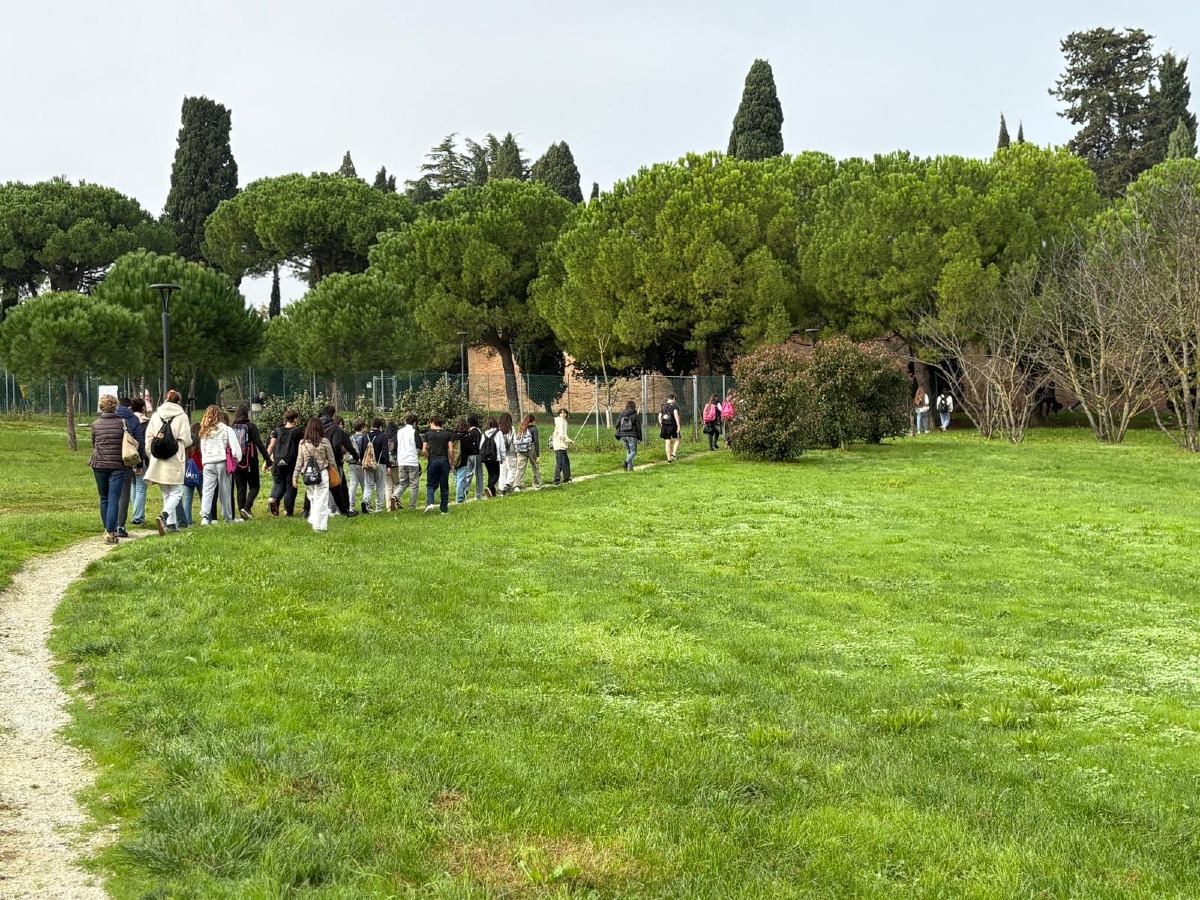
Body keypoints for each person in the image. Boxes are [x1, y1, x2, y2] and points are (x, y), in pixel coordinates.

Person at [143, 390, 192, 535]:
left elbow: (148, 438)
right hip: (175, 456)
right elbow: (187, 439)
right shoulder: (182, 416)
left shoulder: (156, 415)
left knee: (166, 493)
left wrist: (151, 455)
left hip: (158, 458)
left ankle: (171, 524)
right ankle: (164, 516)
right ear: (178, 401)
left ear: (166, 399)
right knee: (177, 491)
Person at [88, 395, 128, 544]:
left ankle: (107, 529)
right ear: (115, 406)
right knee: (113, 499)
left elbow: (94, 443)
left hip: (99, 464)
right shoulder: (122, 423)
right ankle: (110, 532)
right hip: (117, 464)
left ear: (101, 407)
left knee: (103, 497)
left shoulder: (95, 424)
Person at [198, 404, 242, 524]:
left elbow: (203, 449)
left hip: (208, 463)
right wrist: (236, 460)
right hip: (222, 461)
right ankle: (227, 517)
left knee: (207, 490)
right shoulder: (227, 429)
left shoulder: (204, 431)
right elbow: (235, 448)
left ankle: (205, 517)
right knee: (225, 490)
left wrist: (205, 461)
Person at [293, 416, 336, 533]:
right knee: (321, 500)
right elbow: (331, 460)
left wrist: (295, 476)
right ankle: (319, 527)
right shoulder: (325, 441)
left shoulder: (302, 443)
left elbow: (299, 461)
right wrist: (335, 474)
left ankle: (313, 520)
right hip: (321, 474)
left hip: (307, 475)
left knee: (312, 498)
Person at [231, 403, 271, 519]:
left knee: (240, 487)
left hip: (236, 461)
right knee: (255, 486)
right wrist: (267, 460)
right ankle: (247, 508)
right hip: (250, 461)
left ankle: (242, 512)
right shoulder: (251, 426)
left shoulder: (233, 427)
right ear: (247, 412)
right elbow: (259, 444)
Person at [114, 395, 144, 537]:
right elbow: (139, 442)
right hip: (125, 459)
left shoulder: (103, 419)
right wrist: (139, 463)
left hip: (107, 460)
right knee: (124, 493)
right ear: (130, 407)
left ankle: (109, 524)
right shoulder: (133, 419)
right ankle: (120, 525)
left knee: (109, 494)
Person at [266, 409, 301, 517]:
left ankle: (275, 499)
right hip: (291, 460)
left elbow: (271, 445)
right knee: (291, 485)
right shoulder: (297, 431)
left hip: (278, 460)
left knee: (281, 483)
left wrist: (267, 460)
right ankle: (288, 511)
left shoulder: (278, 430)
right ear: (295, 419)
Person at [421, 416, 454, 514]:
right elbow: (451, 449)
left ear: (432, 422)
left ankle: (430, 503)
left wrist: (429, 457)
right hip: (444, 460)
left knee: (431, 484)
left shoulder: (428, 434)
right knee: (444, 485)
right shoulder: (448, 434)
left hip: (433, 460)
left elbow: (424, 450)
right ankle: (444, 509)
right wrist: (451, 462)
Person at [393, 413, 422, 510]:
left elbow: (395, 446)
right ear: (414, 423)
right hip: (412, 460)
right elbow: (420, 445)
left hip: (401, 460)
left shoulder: (399, 432)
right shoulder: (414, 432)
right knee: (414, 484)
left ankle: (395, 496)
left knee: (403, 483)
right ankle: (412, 506)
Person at [128, 398, 150, 526]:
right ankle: (138, 516)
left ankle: (136, 514)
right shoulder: (146, 424)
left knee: (133, 486)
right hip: (142, 457)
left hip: (129, 457)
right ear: (143, 409)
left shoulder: (127, 422)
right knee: (141, 487)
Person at [512, 413, 542, 491]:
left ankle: (517, 485)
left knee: (520, 468)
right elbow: (536, 442)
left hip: (520, 450)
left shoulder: (522, 428)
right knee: (535, 467)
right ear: (533, 421)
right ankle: (537, 484)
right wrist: (538, 455)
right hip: (531, 449)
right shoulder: (534, 429)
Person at [365, 418, 389, 512]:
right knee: (380, 486)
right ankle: (379, 508)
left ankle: (366, 501)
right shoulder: (383, 436)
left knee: (368, 485)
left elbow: (363, 449)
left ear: (371, 425)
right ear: (380, 427)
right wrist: (388, 465)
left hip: (367, 464)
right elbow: (385, 451)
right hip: (380, 464)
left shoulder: (365, 436)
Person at [454, 418, 481, 504]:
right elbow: (470, 450)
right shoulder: (467, 437)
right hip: (463, 460)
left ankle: (460, 495)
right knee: (461, 480)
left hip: (454, 460)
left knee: (457, 479)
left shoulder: (453, 436)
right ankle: (460, 498)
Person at [180, 422, 202, 528]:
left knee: (187, 498)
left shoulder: (187, 446)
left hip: (188, 473)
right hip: (200, 472)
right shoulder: (200, 445)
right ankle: (206, 517)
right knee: (203, 496)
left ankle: (187, 521)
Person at [348, 419, 370, 514]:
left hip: (352, 463)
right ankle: (366, 502)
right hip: (361, 464)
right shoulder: (365, 438)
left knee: (353, 484)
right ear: (362, 427)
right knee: (365, 485)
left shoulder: (351, 437)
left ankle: (351, 505)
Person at [616, 400, 642, 471]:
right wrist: (640, 438)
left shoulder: (622, 414)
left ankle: (630, 468)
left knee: (628, 451)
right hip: (632, 436)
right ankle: (626, 461)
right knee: (633, 452)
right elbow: (638, 427)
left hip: (623, 435)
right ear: (634, 406)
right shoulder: (635, 415)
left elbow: (616, 424)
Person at [550, 408, 573, 485]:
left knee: (566, 462)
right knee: (560, 463)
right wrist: (568, 440)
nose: (563, 414)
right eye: (561, 413)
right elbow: (561, 434)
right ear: (559, 414)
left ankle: (567, 478)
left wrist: (567, 441)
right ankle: (556, 479)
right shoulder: (560, 421)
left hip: (563, 445)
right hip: (559, 445)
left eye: (564, 413)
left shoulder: (564, 422)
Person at [480, 416, 502, 498]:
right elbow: (501, 446)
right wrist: (502, 457)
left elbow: (481, 446)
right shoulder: (498, 433)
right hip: (494, 456)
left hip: (485, 457)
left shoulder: (484, 433)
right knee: (496, 474)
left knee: (490, 474)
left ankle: (492, 493)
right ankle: (489, 486)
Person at [497, 412, 517, 494]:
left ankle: (501, 487)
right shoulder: (511, 429)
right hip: (510, 451)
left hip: (501, 453)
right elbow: (515, 441)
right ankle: (508, 483)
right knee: (512, 469)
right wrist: (516, 451)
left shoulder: (499, 429)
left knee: (502, 470)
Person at [383, 418, 400, 510]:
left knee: (388, 485)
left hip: (386, 464)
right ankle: (396, 501)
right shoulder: (397, 437)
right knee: (397, 483)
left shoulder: (384, 437)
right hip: (396, 464)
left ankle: (388, 506)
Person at [659, 393, 681, 462]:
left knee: (667, 441)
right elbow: (676, 416)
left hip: (665, 425)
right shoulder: (674, 406)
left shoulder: (663, 406)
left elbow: (659, 416)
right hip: (673, 425)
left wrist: (661, 424)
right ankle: (673, 454)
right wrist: (678, 425)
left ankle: (668, 458)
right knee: (677, 439)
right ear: (674, 398)